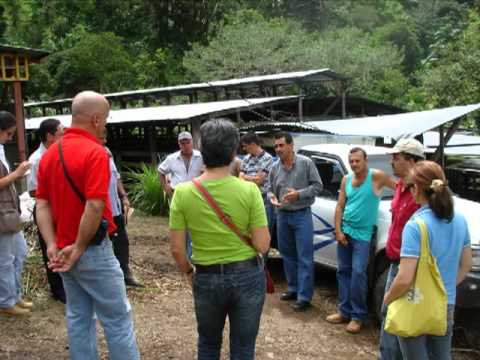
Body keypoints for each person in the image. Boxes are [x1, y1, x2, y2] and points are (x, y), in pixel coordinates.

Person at [35, 91, 140, 360]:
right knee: (117, 319)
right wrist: (79, 247)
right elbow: (94, 206)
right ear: (95, 119)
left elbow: (42, 204)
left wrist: (52, 244)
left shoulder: (49, 154)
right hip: (91, 250)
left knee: (78, 316)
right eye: (105, 118)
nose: (105, 124)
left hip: (61, 251)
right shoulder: (96, 153)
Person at [169, 118, 270, 360]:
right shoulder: (249, 190)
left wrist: (189, 273)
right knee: (243, 348)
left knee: (208, 344)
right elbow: (262, 244)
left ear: (203, 150)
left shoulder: (182, 192)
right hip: (247, 276)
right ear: (233, 151)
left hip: (205, 276)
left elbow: (177, 250)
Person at [383, 161, 472, 359]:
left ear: (415, 189)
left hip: (415, 302)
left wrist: (387, 299)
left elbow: (404, 279)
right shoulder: (459, 219)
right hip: (445, 303)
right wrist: (444, 286)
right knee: (442, 356)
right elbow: (466, 265)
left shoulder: (415, 226)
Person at [326, 147, 395, 333]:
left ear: (366, 161)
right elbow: (340, 206)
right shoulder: (346, 179)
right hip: (345, 231)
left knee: (358, 274)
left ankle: (358, 316)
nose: (354, 164)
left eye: (357, 160)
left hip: (364, 235)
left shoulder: (377, 177)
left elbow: (399, 189)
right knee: (343, 272)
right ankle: (344, 311)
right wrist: (338, 230)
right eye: (352, 161)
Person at [379, 138, 425, 359]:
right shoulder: (399, 185)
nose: (392, 162)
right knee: (390, 319)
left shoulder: (423, 193)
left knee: (398, 321)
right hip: (394, 262)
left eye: (396, 158)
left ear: (412, 160)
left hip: (411, 268)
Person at [268, 131, 322, 311]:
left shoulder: (306, 163)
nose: (278, 149)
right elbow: (269, 189)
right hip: (282, 215)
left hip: (301, 214)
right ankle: (293, 289)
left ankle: (304, 297)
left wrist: (299, 194)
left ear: (291, 146)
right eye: (276, 146)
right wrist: (272, 198)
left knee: (304, 256)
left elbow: (318, 186)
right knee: (287, 254)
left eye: (281, 145)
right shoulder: (275, 167)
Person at [27, 118, 66, 303]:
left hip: (60, 206)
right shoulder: (36, 159)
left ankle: (67, 284)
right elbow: (33, 190)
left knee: (64, 243)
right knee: (50, 247)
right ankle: (57, 290)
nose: (64, 136)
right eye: (60, 133)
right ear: (49, 136)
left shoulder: (62, 152)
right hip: (46, 208)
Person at [0, 111, 32, 316]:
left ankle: (15, 295)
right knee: (4, 259)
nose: (10, 138)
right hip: (2, 214)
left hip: (10, 212)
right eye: (8, 133)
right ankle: (5, 302)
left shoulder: (1, 149)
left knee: (19, 254)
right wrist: (17, 174)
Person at [102, 134, 142, 287]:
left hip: (115, 208)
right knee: (104, 245)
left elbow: (116, 176)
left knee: (122, 243)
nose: (105, 139)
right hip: (102, 210)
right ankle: (111, 280)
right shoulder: (90, 154)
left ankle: (125, 275)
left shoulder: (107, 151)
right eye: (102, 137)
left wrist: (123, 195)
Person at [158, 131, 203, 257]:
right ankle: (183, 255)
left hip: (197, 195)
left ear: (192, 142)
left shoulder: (201, 156)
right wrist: (165, 187)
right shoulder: (172, 158)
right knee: (180, 226)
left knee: (195, 225)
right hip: (177, 195)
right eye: (182, 143)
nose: (185, 145)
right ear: (179, 144)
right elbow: (160, 170)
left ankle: (193, 253)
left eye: (187, 142)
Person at [239, 132, 275, 237]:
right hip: (248, 199)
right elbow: (239, 178)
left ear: (253, 144)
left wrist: (246, 177)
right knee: (249, 231)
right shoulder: (246, 158)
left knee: (264, 231)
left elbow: (259, 180)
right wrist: (252, 177)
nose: (244, 149)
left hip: (263, 200)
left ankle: (264, 253)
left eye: (245, 146)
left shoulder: (268, 158)